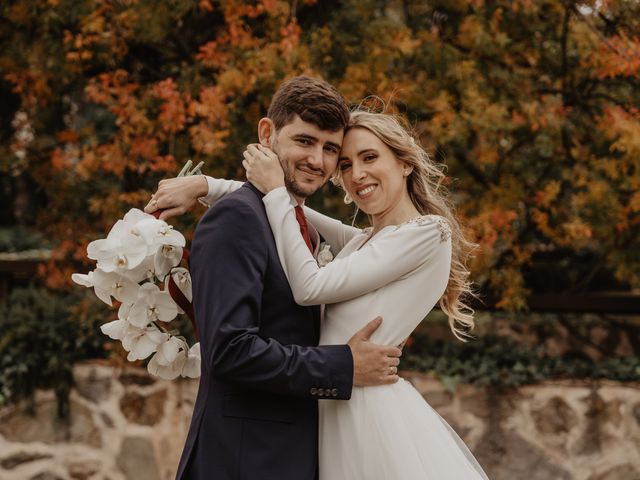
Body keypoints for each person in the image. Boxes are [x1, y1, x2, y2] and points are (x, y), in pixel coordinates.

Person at [155, 108, 490, 479]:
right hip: (333, 404)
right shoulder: (365, 240)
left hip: (368, 411)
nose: (356, 175)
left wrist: (277, 191)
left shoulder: (426, 232)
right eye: (345, 165)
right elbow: (292, 211)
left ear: (405, 162)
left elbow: (309, 286)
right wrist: (206, 185)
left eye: (369, 157)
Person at [146, 76, 403, 480]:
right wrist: (343, 366)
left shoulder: (302, 227)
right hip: (243, 460)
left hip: (291, 456)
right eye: (305, 141)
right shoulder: (236, 219)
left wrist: (204, 184)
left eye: (330, 149)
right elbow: (230, 350)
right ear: (267, 134)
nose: (317, 161)